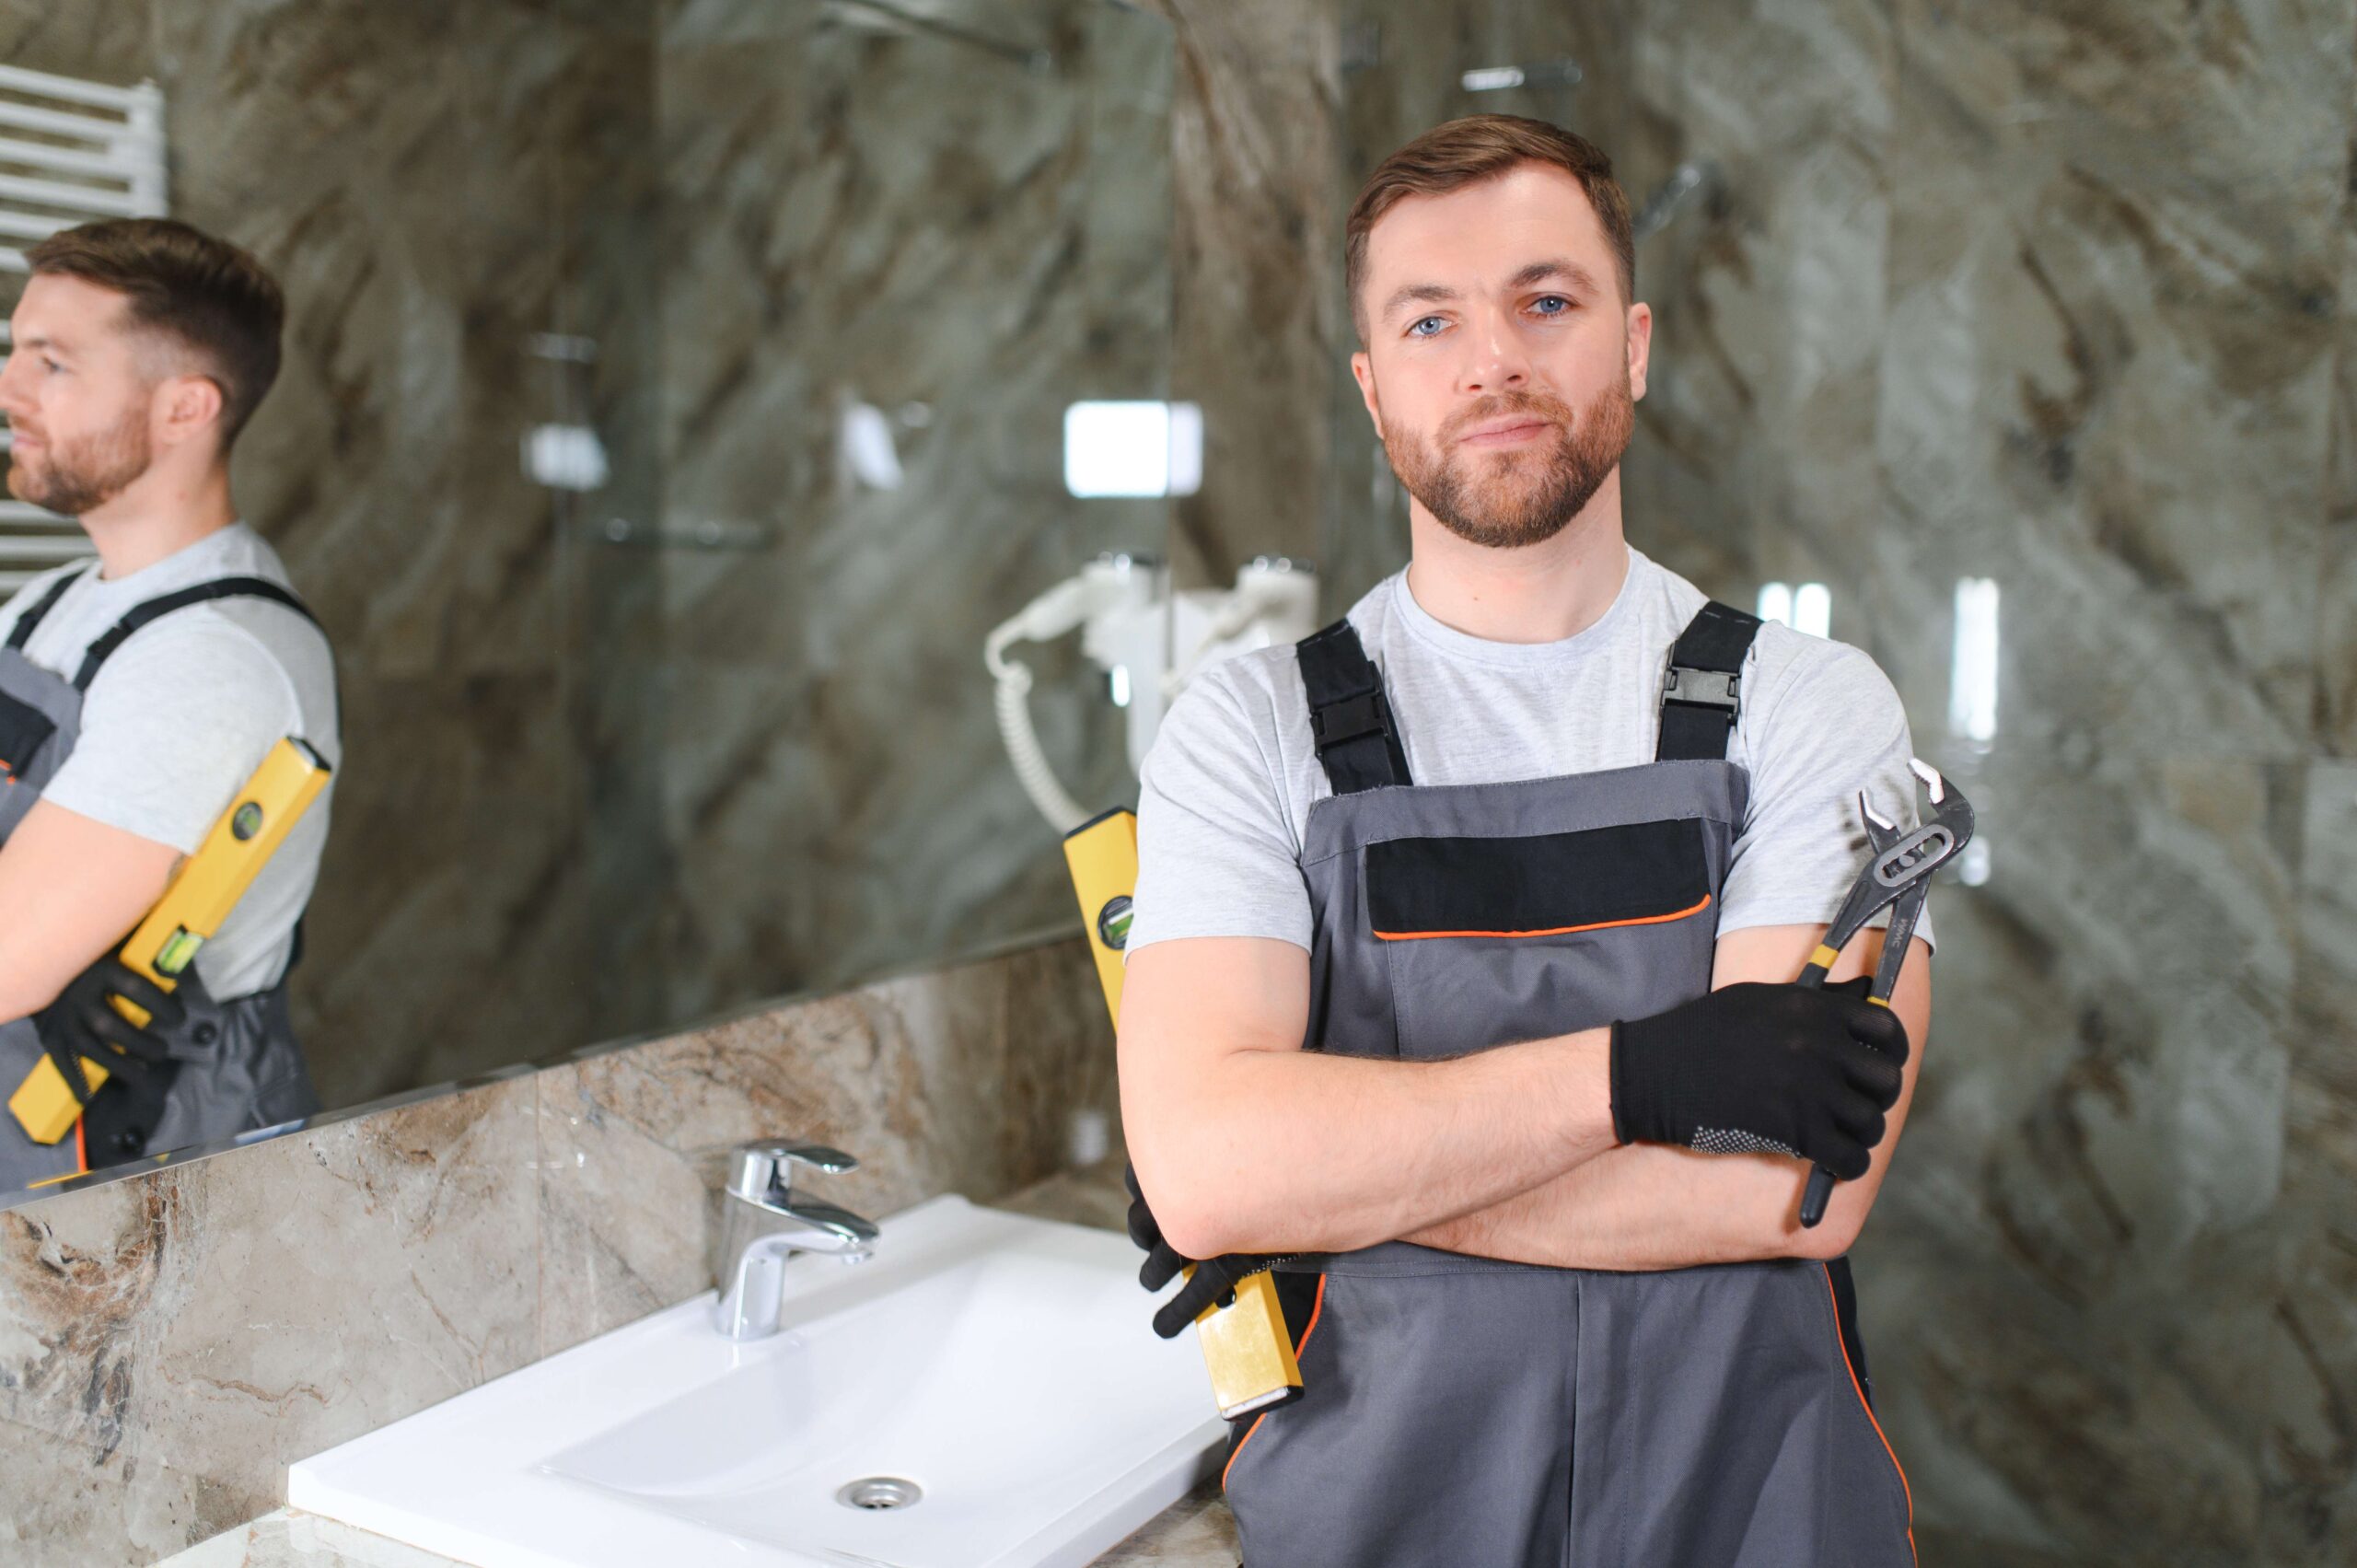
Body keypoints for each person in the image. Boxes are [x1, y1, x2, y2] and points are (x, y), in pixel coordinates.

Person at [1119, 116, 1929, 1565]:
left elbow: (1794, 1191)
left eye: (1545, 302)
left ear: (1631, 342)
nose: (1491, 359)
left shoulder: (1808, 706)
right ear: (1374, 391)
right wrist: (1643, 1078)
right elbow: (1207, 1168)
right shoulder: (1250, 727)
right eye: (1431, 319)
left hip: (1757, 1508)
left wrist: (1322, 1187)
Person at [0, 217, 337, 1193]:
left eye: (52, 364)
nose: (10, 390)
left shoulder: (209, 657)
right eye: (17, 351)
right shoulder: (58, 598)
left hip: (142, 1161)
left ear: (186, 408)